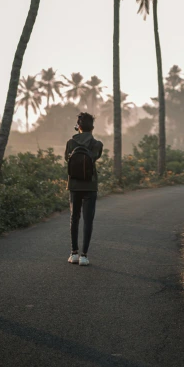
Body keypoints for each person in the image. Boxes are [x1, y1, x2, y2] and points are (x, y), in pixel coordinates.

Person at [65, 112, 103, 266]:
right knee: (88, 221)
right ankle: (84, 256)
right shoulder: (97, 144)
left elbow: (67, 159)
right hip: (90, 185)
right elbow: (94, 157)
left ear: (78, 126)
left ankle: (73, 253)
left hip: (74, 185)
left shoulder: (70, 143)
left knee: (74, 218)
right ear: (92, 128)